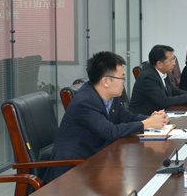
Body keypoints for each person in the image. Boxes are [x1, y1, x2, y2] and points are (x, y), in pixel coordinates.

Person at [49, 51, 167, 182]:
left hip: (97, 159)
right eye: (122, 78)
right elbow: (110, 131)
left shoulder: (110, 95)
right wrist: (148, 123)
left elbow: (127, 116)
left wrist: (151, 118)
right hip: (72, 170)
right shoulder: (85, 102)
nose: (123, 82)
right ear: (106, 81)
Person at [130, 45, 187, 114]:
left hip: (160, 115)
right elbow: (163, 102)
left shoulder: (163, 72)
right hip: (143, 118)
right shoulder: (148, 77)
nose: (174, 64)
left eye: (174, 59)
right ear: (159, 64)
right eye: (171, 60)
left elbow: (174, 91)